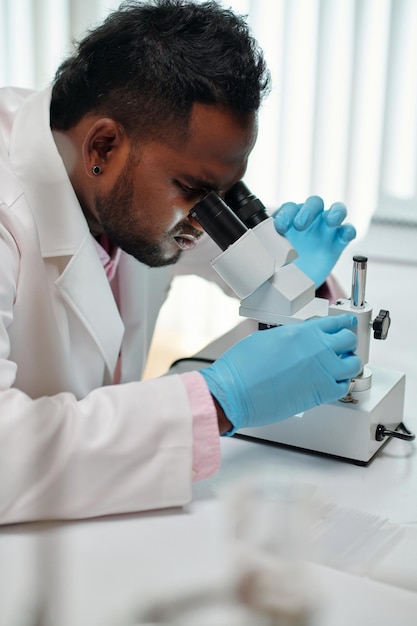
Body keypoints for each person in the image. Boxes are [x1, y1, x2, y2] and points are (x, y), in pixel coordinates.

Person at [0, 0, 360, 524]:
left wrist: (296, 278)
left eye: (227, 195)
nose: (208, 219)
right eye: (195, 191)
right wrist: (217, 400)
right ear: (104, 145)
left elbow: (234, 257)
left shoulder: (120, 173)